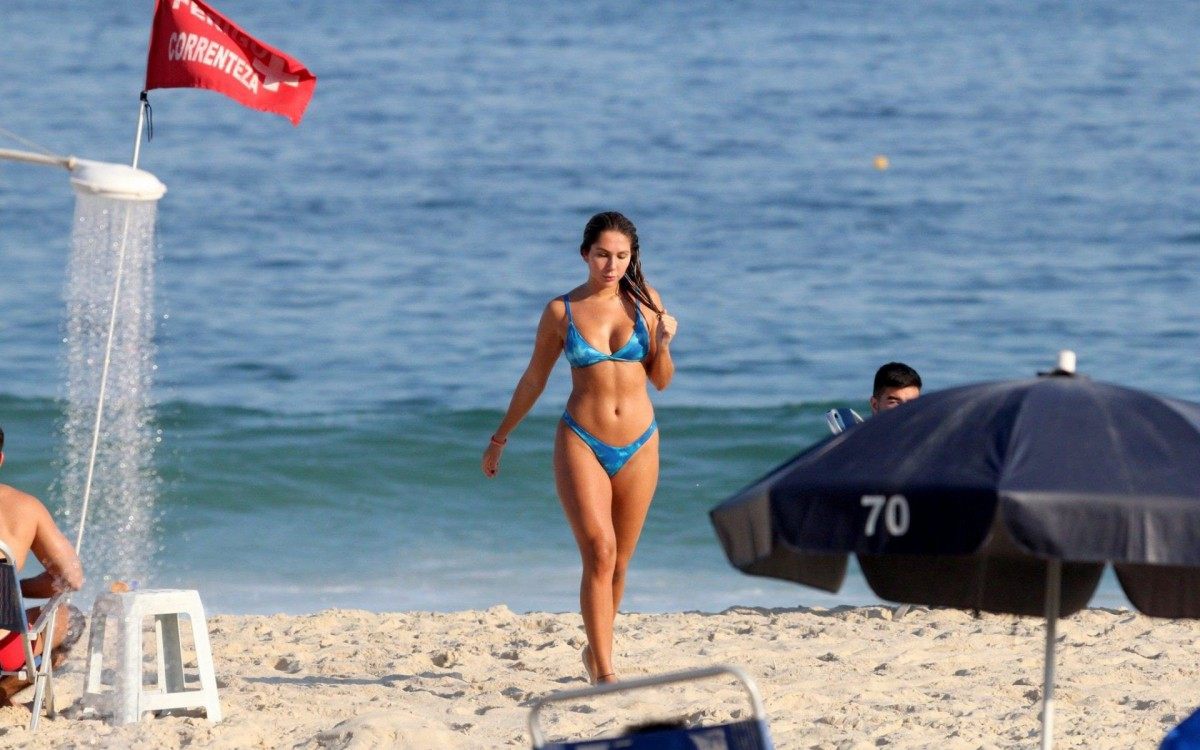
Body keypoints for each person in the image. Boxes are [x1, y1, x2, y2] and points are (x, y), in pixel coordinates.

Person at [482, 211, 677, 685]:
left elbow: (661, 381)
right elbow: (534, 378)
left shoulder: (646, 302)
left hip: (640, 441)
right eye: (603, 255)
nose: (612, 266)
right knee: (599, 549)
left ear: (632, 257)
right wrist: (500, 436)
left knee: (621, 560)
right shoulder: (560, 311)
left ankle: (597, 651)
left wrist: (664, 343)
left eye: (621, 256)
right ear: (585, 254)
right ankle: (606, 674)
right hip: (581, 440)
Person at [0, 425, 86, 704]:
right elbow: (71, 578)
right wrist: (16, 589)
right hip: (3, 649)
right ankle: (5, 691)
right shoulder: (25, 508)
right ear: (0, 459)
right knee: (70, 618)